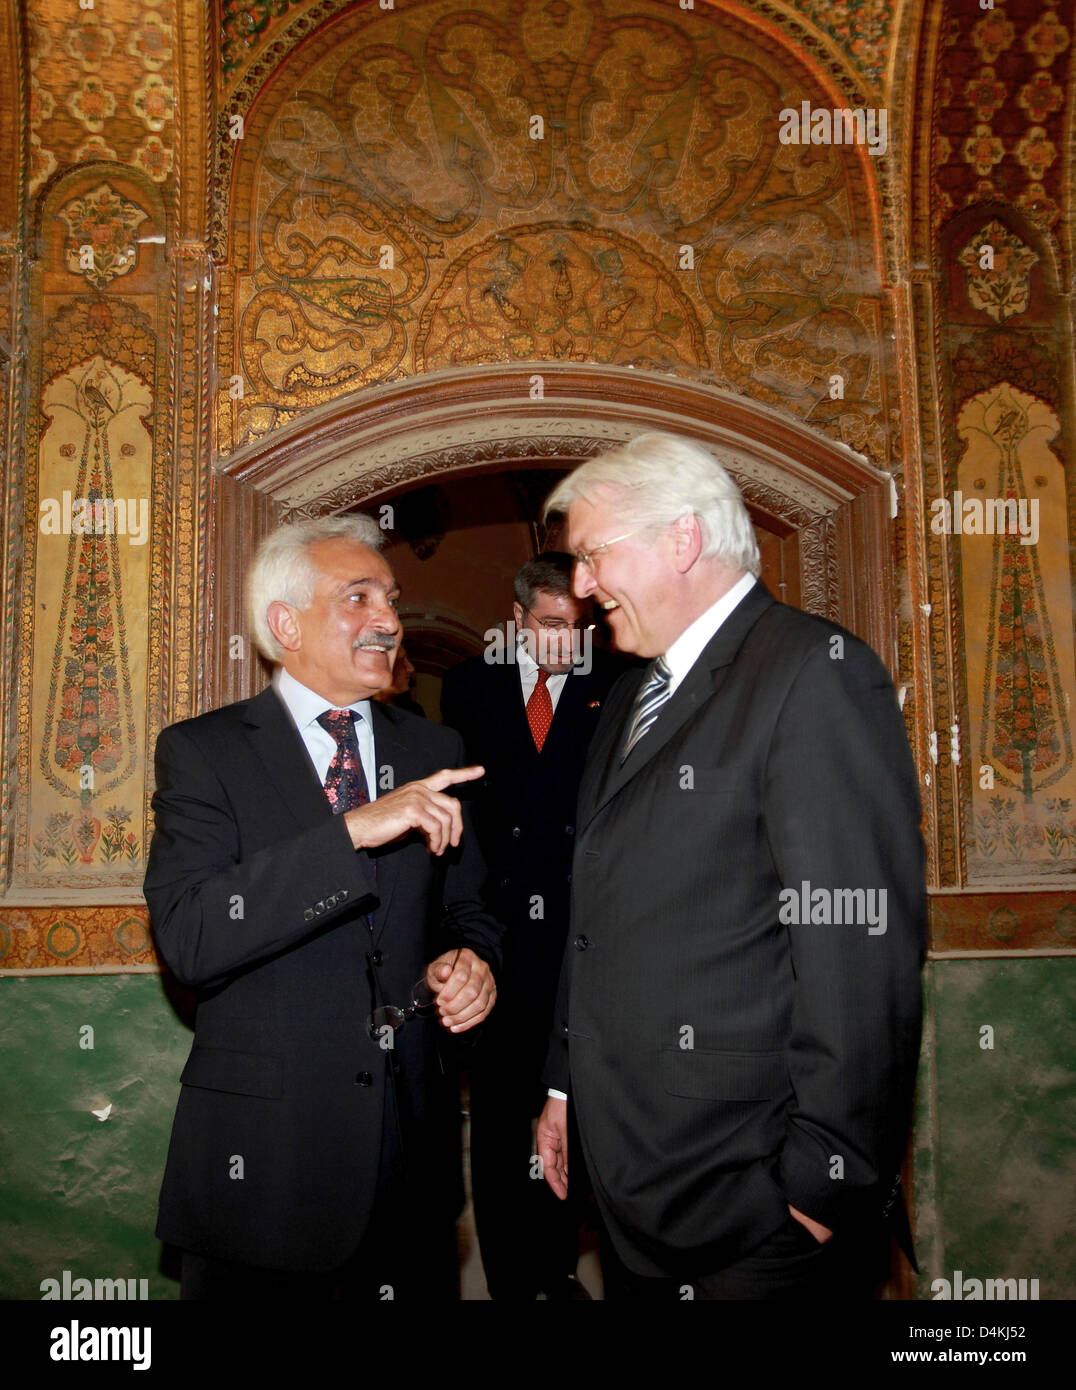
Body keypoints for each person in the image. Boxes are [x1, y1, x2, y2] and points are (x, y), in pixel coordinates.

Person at [535, 432, 926, 1300]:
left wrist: (822, 1185)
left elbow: (860, 947)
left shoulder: (812, 674)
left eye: (594, 557)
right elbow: (595, 918)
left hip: (752, 1201)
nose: (582, 587)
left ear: (681, 540)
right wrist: (567, 1088)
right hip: (632, 1177)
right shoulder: (632, 692)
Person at [145, 514, 501, 1300]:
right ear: (285, 624)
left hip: (411, 1165)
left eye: (393, 599)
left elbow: (469, 910)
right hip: (266, 1173)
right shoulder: (204, 753)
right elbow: (192, 936)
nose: (389, 620)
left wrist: (472, 963)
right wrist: (352, 833)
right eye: (359, 597)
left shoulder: (434, 751)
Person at [441, 554, 623, 1300]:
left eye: (577, 628)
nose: (565, 644)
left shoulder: (615, 685)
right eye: (550, 627)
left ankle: (556, 1272)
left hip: (584, 943)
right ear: (516, 620)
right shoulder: (466, 688)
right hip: (498, 942)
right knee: (499, 1117)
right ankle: (515, 1280)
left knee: (572, 1111)